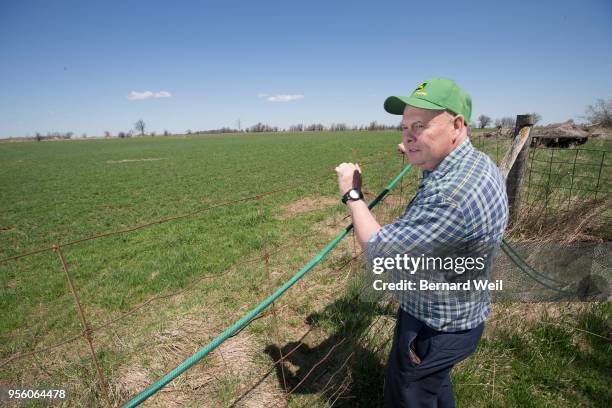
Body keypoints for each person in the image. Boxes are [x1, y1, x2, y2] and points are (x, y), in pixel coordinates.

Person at [335, 77, 508, 407]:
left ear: (456, 126)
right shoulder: (475, 164)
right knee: (434, 386)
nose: (408, 135)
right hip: (462, 311)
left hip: (434, 325)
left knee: (409, 395)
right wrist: (419, 149)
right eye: (404, 128)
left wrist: (352, 195)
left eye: (421, 126)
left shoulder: (449, 197)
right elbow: (440, 170)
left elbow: (379, 251)